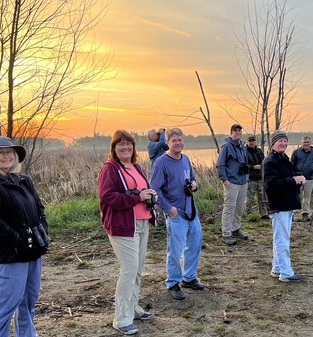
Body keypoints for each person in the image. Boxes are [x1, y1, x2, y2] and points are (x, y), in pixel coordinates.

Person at [0, 136, 49, 337]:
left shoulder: (24, 181)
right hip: (10, 255)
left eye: (10, 152)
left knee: (28, 301)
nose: (6, 156)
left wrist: (43, 233)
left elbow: (39, 209)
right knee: (5, 304)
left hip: (33, 251)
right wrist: (18, 241)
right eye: (0, 153)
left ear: (16, 156)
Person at [98, 130, 156, 335]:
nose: (125, 147)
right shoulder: (110, 169)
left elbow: (140, 193)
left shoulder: (136, 167)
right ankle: (121, 319)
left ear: (133, 147)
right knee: (129, 270)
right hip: (123, 225)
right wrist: (137, 197)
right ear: (113, 148)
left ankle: (133, 308)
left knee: (138, 269)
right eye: (120, 144)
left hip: (141, 223)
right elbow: (107, 197)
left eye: (129, 144)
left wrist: (149, 195)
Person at [150, 127, 204, 301]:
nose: (178, 143)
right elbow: (155, 189)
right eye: (174, 141)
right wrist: (169, 209)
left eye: (180, 140)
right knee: (175, 250)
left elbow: (193, 177)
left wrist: (194, 184)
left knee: (195, 243)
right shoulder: (161, 162)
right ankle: (173, 282)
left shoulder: (186, 159)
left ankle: (189, 277)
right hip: (175, 213)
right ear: (168, 143)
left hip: (191, 211)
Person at [263, 130, 306, 283]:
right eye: (280, 141)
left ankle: (277, 268)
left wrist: (299, 178)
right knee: (282, 239)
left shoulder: (282, 158)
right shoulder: (270, 161)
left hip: (286, 204)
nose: (283, 143)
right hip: (279, 206)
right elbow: (272, 185)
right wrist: (294, 180)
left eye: (285, 141)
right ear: (273, 143)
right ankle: (286, 273)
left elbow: (288, 175)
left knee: (279, 238)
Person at [217, 123, 249, 245]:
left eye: (240, 131)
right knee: (229, 208)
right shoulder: (226, 147)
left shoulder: (243, 146)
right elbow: (220, 165)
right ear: (231, 132)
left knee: (240, 207)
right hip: (231, 182)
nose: (238, 133)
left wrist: (247, 177)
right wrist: (224, 180)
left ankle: (235, 229)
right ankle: (226, 234)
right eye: (236, 131)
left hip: (243, 181)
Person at [290, 136, 313, 222]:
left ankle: (305, 214)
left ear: (310, 143)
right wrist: (292, 176)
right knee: (295, 196)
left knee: (307, 197)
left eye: (308, 142)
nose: (306, 144)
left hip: (309, 178)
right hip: (297, 178)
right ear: (301, 143)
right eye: (304, 142)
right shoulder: (296, 152)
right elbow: (291, 165)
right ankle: (292, 214)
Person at [245, 135, 268, 219]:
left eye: (253, 141)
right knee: (250, 198)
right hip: (250, 178)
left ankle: (263, 213)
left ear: (255, 142)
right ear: (247, 142)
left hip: (260, 178)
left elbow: (264, 161)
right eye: (250, 141)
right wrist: (253, 167)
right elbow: (243, 165)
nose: (251, 142)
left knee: (262, 197)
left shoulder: (259, 151)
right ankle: (249, 214)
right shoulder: (244, 152)